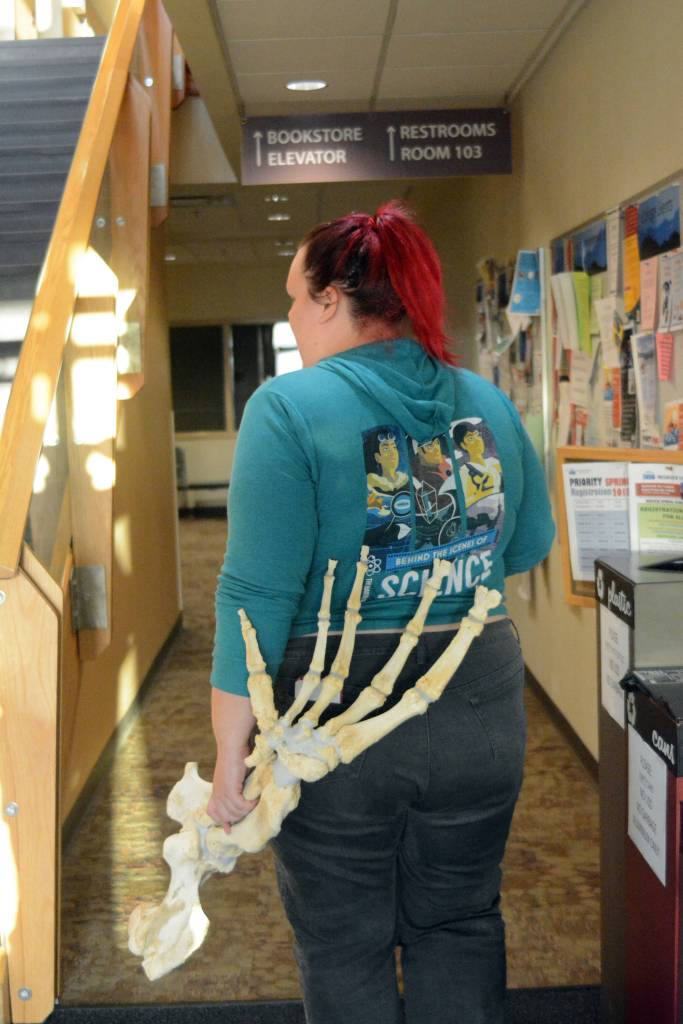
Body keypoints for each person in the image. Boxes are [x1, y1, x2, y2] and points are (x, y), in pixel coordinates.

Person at [207, 201, 555, 1024]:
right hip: (477, 705)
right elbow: (526, 544)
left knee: (342, 939)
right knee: (461, 920)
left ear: (332, 298)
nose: (291, 314)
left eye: (295, 296)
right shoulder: (487, 402)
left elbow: (255, 597)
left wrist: (231, 755)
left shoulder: (286, 409)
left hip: (335, 719)